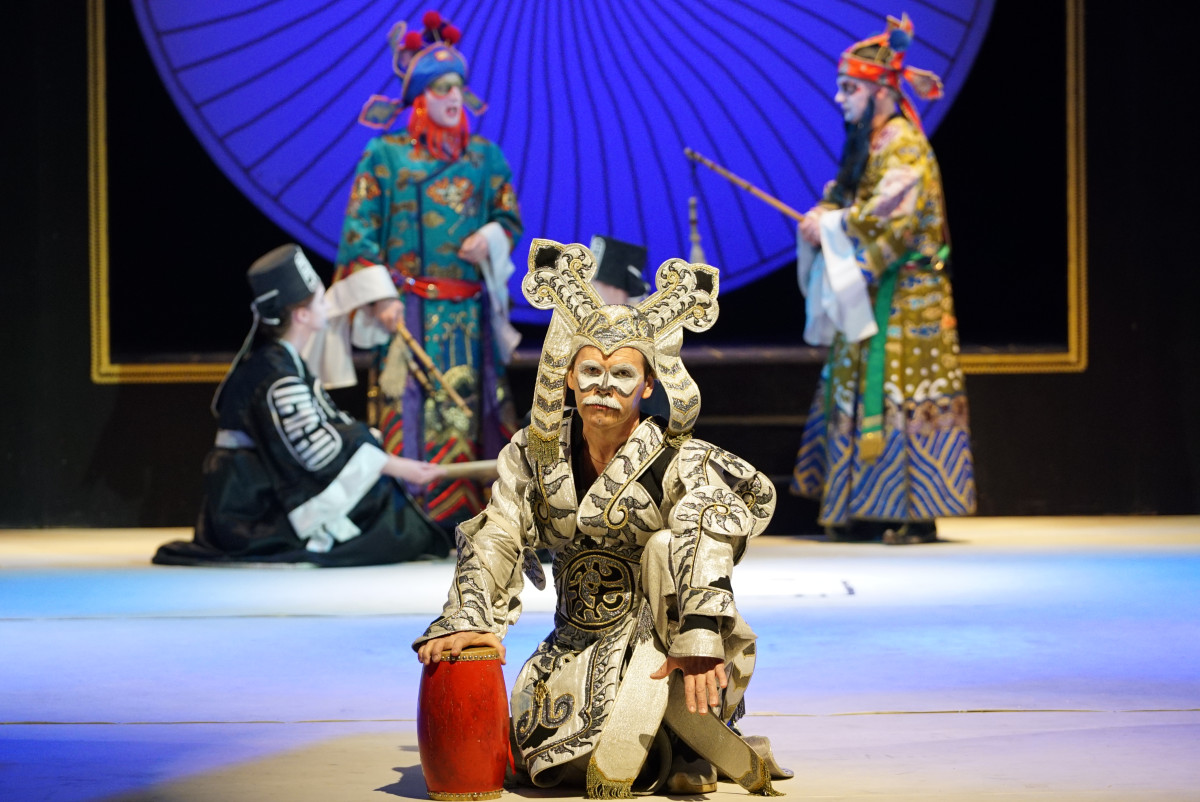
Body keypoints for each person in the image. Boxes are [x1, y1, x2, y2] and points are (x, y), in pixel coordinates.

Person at [414, 240, 792, 797]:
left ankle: (690, 735)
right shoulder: (534, 453)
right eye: (590, 370)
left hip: (668, 641)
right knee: (540, 754)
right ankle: (674, 745)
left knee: (671, 543)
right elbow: (499, 529)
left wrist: (700, 633)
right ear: (568, 376)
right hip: (574, 641)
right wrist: (469, 615)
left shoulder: (678, 458)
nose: (603, 387)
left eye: (621, 375)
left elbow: (716, 518)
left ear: (648, 385)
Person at [303, 10, 523, 530]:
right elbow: (359, 231)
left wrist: (490, 237)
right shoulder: (385, 155)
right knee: (408, 406)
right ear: (420, 97)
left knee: (473, 408)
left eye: (458, 87)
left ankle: (480, 517)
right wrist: (380, 297)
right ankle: (413, 519)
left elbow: (509, 219)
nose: (453, 97)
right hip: (408, 311)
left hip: (469, 314)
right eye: (442, 88)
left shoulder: (486, 158)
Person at [791, 13, 976, 544]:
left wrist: (833, 225)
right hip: (872, 293)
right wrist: (823, 215)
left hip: (909, 297)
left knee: (905, 392)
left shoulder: (903, 145)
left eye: (849, 88)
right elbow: (850, 198)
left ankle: (915, 512)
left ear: (882, 92)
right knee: (856, 386)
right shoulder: (869, 143)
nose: (840, 98)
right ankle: (860, 509)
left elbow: (889, 220)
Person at [153, 244, 448, 567]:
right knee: (392, 529)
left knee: (390, 513)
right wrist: (393, 465)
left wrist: (383, 458)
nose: (327, 306)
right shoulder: (273, 372)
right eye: (321, 300)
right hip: (250, 502)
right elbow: (316, 449)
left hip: (263, 484)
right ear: (302, 315)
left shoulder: (283, 361)